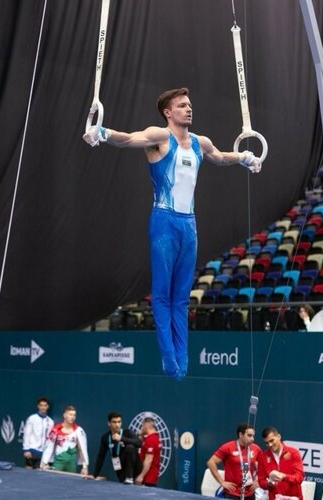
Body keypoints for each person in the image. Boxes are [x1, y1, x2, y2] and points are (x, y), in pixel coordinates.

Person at [83, 87, 261, 380]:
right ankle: (168, 356)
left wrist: (244, 157)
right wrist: (101, 132)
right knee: (162, 295)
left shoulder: (200, 142)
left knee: (182, 298)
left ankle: (183, 359)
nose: (189, 109)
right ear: (168, 112)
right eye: (182, 105)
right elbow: (128, 139)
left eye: (190, 105)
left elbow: (220, 157)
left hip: (189, 225)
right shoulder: (159, 137)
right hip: (164, 222)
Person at [207, 422, 263, 499]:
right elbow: (211, 462)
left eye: (253, 436)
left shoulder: (256, 448)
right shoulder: (228, 447)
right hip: (232, 493)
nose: (252, 439)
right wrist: (222, 482)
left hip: (250, 493)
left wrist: (257, 480)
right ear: (240, 435)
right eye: (249, 435)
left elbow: (262, 466)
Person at [88, 411, 142, 484]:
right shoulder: (106, 438)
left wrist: (121, 438)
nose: (117, 425)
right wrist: (94, 475)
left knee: (130, 447)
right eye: (114, 422)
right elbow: (101, 456)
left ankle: (129, 477)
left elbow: (139, 443)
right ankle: (127, 478)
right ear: (109, 423)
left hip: (135, 467)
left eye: (119, 422)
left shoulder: (127, 432)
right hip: (118, 466)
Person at [257, 426, 305, 500]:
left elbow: (299, 477)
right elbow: (261, 481)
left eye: (272, 440)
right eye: (267, 443)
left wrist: (284, 476)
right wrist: (268, 484)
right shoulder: (263, 457)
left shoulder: (293, 453)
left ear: (279, 436)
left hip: (293, 497)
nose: (270, 445)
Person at [41, 405, 89, 475]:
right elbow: (49, 446)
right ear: (64, 415)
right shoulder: (55, 429)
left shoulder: (79, 431)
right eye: (70, 414)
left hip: (71, 463)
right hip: (58, 462)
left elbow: (82, 449)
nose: (72, 417)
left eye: (74, 415)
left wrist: (85, 467)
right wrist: (44, 462)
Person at [22, 397, 54, 469]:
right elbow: (26, 434)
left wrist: (46, 455)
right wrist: (26, 450)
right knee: (27, 473)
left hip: (42, 454)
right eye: (41, 405)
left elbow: (49, 440)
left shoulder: (50, 421)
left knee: (38, 477)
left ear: (48, 407)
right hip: (31, 451)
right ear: (38, 406)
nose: (43, 407)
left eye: (45, 405)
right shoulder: (32, 418)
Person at [135, 416, 161, 487]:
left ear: (145, 426)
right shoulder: (155, 437)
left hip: (148, 477)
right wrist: (142, 436)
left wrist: (141, 476)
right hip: (151, 476)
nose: (141, 428)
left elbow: (149, 460)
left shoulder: (151, 440)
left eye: (142, 426)